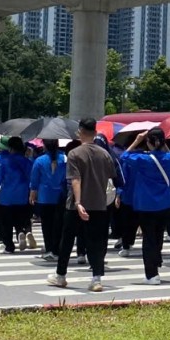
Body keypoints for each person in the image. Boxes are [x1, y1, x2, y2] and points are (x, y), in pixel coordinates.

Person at [50, 119, 115, 292]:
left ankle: (61, 275)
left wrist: (79, 202)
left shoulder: (74, 154)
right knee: (97, 242)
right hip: (99, 203)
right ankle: (96, 279)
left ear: (80, 132)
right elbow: (111, 176)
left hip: (76, 205)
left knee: (68, 240)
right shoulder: (105, 154)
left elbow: (75, 180)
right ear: (95, 132)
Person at [120, 128, 170, 285]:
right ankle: (156, 261)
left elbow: (124, 156)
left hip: (146, 204)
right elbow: (169, 153)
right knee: (158, 236)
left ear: (149, 142)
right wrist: (162, 142)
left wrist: (137, 140)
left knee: (149, 239)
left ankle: (152, 274)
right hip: (165, 203)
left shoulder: (143, 160)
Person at [0, 137, 35, 254]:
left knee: (6, 223)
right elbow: (32, 178)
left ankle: (9, 246)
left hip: (6, 197)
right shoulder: (27, 161)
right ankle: (21, 231)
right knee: (20, 218)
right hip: (23, 195)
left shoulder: (5, 161)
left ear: (10, 148)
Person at [29, 139, 67, 261]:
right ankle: (56, 249)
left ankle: (49, 248)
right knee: (59, 224)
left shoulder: (39, 160)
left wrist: (32, 194)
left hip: (44, 196)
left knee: (47, 225)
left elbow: (34, 180)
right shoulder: (65, 159)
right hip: (61, 196)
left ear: (44, 146)